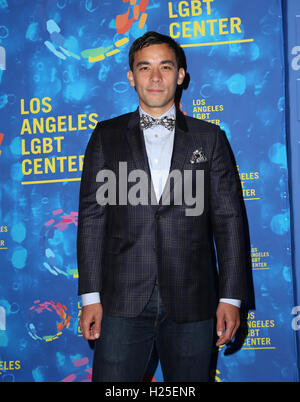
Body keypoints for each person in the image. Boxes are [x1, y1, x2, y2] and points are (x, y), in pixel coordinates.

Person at [77, 31, 248, 382]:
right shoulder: (105, 137)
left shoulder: (210, 138)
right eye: (145, 67)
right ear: (131, 77)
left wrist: (231, 298)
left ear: (180, 75)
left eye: (165, 67)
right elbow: (92, 220)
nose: (155, 77)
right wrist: (89, 296)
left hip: (193, 301)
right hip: (121, 301)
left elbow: (230, 222)